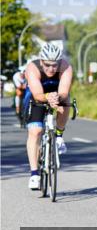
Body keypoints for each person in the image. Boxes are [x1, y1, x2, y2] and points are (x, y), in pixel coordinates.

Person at [23, 42, 74, 190]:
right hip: (37, 94)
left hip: (56, 93)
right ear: (41, 62)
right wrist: (47, 97)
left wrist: (57, 97)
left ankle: (58, 136)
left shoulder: (65, 67)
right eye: (47, 65)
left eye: (54, 65)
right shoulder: (33, 68)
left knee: (66, 101)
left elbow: (64, 91)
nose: (51, 68)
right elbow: (38, 95)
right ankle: (34, 174)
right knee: (36, 131)